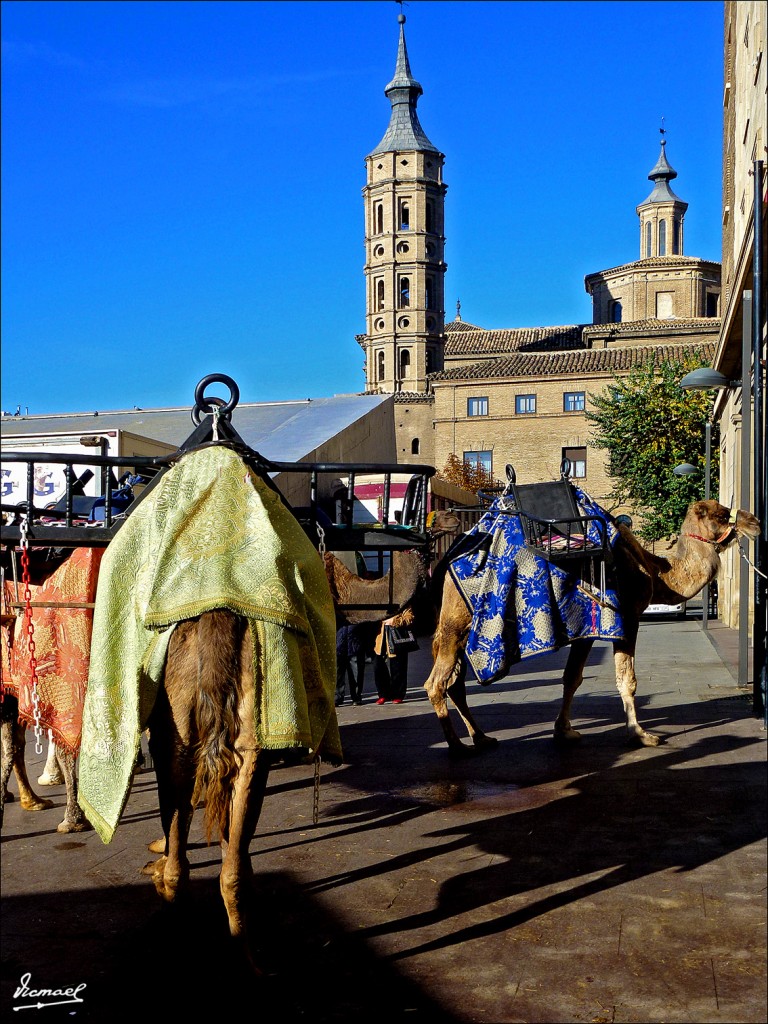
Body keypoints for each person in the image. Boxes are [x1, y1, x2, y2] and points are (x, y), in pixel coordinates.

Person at [373, 606, 415, 705]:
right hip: (380, 640)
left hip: (397, 641)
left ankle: (398, 695)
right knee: (378, 667)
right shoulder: (380, 602)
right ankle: (383, 694)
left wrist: (394, 620)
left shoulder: (403, 603)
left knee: (398, 668)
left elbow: (410, 618)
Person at [335, 622, 368, 706]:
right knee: (338, 674)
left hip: (355, 645)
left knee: (356, 674)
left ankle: (356, 697)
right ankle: (337, 697)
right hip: (339, 645)